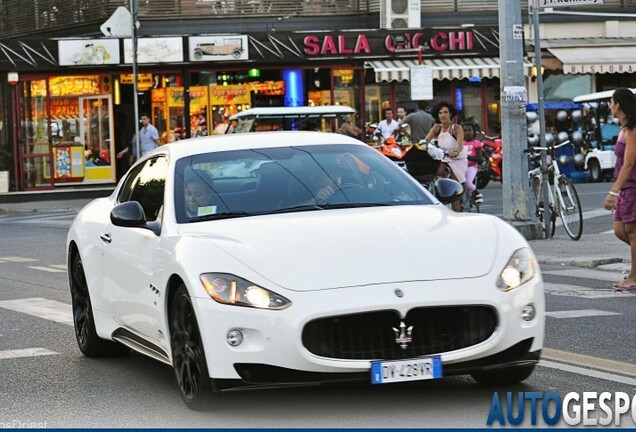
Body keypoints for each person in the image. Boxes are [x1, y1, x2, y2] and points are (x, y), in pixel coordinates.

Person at [603, 88, 636, 291]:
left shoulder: (632, 130)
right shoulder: (623, 129)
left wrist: (614, 191)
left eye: (611, 101)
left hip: (632, 185)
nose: (609, 105)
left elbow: (629, 164)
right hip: (625, 187)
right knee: (619, 230)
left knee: (632, 232)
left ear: (619, 104)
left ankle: (633, 276)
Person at [425, 101, 468, 212]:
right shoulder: (436, 128)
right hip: (444, 157)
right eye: (440, 113)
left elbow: (460, 145)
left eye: (445, 112)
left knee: (452, 188)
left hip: (457, 159)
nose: (443, 115)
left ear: (450, 114)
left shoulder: (456, 128)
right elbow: (425, 141)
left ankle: (457, 214)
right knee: (437, 174)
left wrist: (456, 151)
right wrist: (421, 146)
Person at [462, 121, 485, 206]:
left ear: (473, 132)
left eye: (469, 130)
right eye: (465, 130)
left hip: (472, 167)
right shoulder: (460, 143)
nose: (467, 132)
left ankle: (476, 193)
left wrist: (467, 157)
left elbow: (479, 158)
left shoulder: (476, 143)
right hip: (461, 167)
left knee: (468, 183)